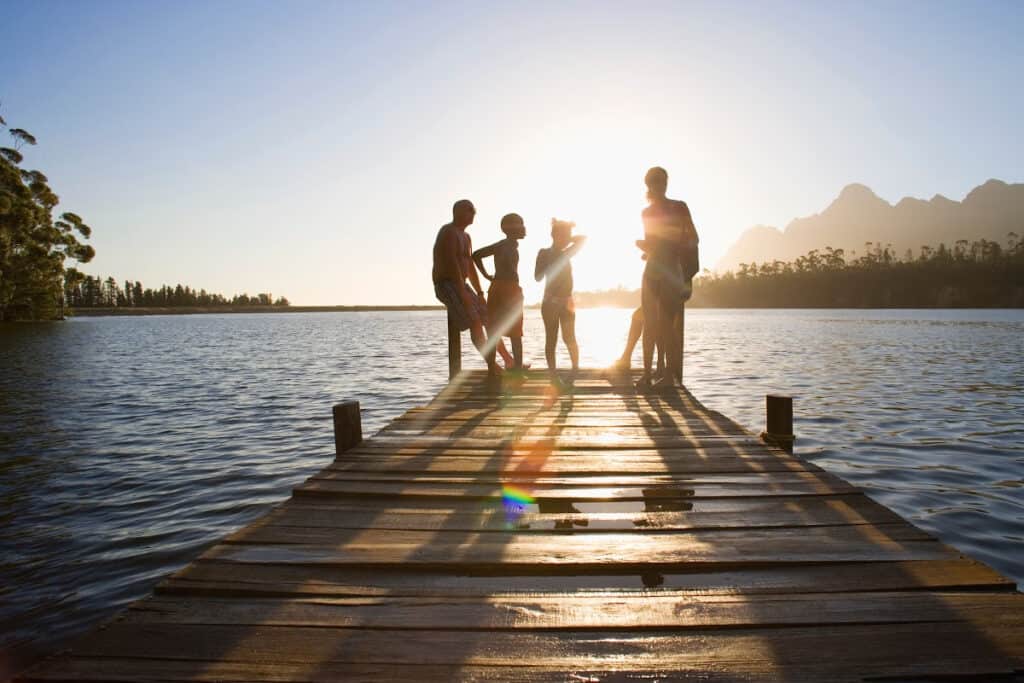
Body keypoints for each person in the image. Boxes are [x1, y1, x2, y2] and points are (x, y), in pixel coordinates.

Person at [432, 199, 513, 377]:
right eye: (469, 210)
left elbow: (469, 266)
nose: (473, 213)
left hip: (462, 284)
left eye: (474, 210)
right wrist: (463, 294)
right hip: (447, 284)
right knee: (475, 322)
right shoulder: (448, 232)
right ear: (457, 212)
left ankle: (508, 360)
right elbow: (453, 264)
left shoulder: (466, 237)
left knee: (489, 320)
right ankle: (492, 365)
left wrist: (479, 292)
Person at [636, 167, 699, 391]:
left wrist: (688, 276)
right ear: (649, 185)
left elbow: (693, 239)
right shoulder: (646, 213)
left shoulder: (679, 207)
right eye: (655, 181)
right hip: (652, 269)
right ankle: (646, 374)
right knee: (649, 323)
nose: (660, 185)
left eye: (663, 181)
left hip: (672, 270)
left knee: (667, 325)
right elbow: (652, 243)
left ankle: (669, 376)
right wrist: (644, 246)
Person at [472, 213, 528, 371]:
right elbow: (476, 255)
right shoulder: (506, 245)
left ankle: (492, 370)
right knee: (515, 332)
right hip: (508, 289)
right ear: (510, 228)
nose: (524, 228)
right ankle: (517, 371)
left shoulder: (503, 244)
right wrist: (486, 275)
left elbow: (476, 255)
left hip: (496, 287)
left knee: (493, 330)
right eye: (521, 224)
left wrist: (488, 276)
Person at [535, 218, 586, 387]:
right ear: (554, 235)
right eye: (563, 235)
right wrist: (550, 265)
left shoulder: (567, 252)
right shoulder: (544, 253)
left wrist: (567, 239)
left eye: (568, 235)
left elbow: (584, 238)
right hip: (550, 302)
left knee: (569, 337)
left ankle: (574, 370)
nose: (567, 239)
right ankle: (553, 376)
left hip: (568, 302)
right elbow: (537, 277)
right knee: (552, 339)